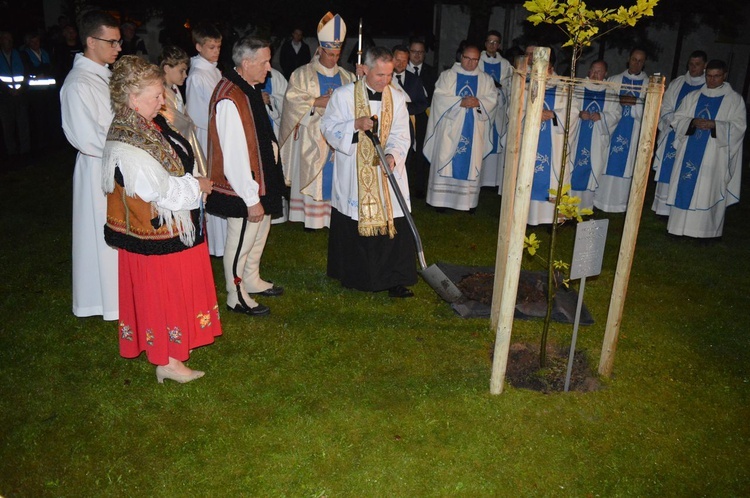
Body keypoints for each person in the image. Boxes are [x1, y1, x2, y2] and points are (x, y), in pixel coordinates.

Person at [102, 56, 221, 384]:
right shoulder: (130, 141)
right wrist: (196, 186)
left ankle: (173, 351)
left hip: (169, 229)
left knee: (173, 292)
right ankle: (168, 360)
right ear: (132, 97)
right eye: (155, 96)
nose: (162, 101)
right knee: (165, 295)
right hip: (157, 236)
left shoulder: (145, 124)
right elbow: (159, 191)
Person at [321, 46, 417, 298]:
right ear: (366, 71)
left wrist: (392, 156)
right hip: (355, 170)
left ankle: (395, 279)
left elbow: (401, 134)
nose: (385, 81)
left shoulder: (396, 98)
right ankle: (355, 275)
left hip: (387, 172)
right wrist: (354, 124)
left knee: (393, 222)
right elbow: (328, 127)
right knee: (354, 221)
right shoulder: (343, 96)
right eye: (380, 76)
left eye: (389, 76)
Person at [206, 36, 285, 316]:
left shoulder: (247, 88)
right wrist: (250, 197)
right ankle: (235, 293)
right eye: (264, 62)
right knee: (240, 239)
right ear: (247, 62)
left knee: (258, 232)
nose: (269, 67)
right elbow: (234, 154)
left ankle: (251, 278)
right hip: (242, 186)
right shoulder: (230, 96)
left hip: (259, 178)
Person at [60, 11, 122, 320]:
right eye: (112, 42)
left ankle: (121, 294)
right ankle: (107, 301)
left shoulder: (105, 74)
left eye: (119, 41)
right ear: (90, 41)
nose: (118, 47)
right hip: (99, 167)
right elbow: (85, 137)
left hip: (117, 163)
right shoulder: (78, 84)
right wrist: (127, 148)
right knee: (102, 236)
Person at [278, 12, 355, 230]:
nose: (334, 59)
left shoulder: (347, 77)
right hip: (311, 136)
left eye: (337, 54)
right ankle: (311, 220)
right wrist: (315, 101)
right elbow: (291, 101)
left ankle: (335, 218)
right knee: (314, 173)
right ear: (320, 50)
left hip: (337, 138)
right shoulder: (302, 74)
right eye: (330, 54)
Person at [665, 59, 746, 239]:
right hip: (689, 150)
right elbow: (677, 119)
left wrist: (715, 125)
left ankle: (706, 232)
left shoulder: (734, 100)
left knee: (708, 190)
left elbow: (739, 127)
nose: (712, 80)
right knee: (684, 185)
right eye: (709, 76)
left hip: (714, 155)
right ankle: (678, 229)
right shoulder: (693, 96)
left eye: (716, 76)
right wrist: (692, 122)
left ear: (724, 76)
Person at [423, 43, 497, 212]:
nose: (471, 63)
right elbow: (440, 97)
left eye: (475, 59)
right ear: (460, 57)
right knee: (445, 158)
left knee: (471, 161)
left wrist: (479, 102)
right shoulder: (448, 76)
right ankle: (440, 202)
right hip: (449, 128)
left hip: (474, 128)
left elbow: (492, 99)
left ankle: (467, 203)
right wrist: (460, 102)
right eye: (467, 58)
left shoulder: (485, 79)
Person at [186, 22, 225, 256]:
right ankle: (214, 243)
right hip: (206, 137)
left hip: (217, 134)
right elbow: (196, 114)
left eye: (219, 46)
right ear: (199, 47)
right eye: (211, 47)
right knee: (211, 184)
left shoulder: (214, 70)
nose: (216, 51)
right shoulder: (197, 76)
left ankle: (222, 241)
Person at [651, 50, 707, 215]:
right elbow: (666, 105)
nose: (693, 67)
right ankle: (662, 209)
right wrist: (673, 121)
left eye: (697, 64)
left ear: (705, 65)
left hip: (693, 135)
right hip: (672, 131)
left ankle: (678, 209)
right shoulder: (678, 83)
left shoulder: (707, 86)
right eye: (691, 64)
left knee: (685, 170)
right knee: (669, 167)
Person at [595, 48, 648, 213]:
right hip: (612, 130)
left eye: (640, 60)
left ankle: (620, 205)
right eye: (634, 59)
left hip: (634, 132)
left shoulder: (648, 84)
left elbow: (651, 111)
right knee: (606, 162)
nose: (636, 63)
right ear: (628, 59)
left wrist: (636, 103)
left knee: (627, 166)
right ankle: (599, 202)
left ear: (644, 63)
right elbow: (605, 102)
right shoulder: (614, 80)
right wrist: (619, 100)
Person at [524, 49, 571, 225]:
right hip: (530, 139)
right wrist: (532, 113)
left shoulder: (564, 85)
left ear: (551, 66)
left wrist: (554, 114)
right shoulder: (528, 84)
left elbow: (572, 111)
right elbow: (515, 110)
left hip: (555, 142)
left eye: (546, 66)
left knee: (554, 174)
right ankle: (527, 217)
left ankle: (552, 219)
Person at [567, 60, 618, 210]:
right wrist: (578, 114)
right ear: (589, 71)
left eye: (599, 71)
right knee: (572, 169)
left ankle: (585, 208)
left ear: (605, 74)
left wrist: (602, 116)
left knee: (591, 171)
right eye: (593, 71)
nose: (595, 75)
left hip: (596, 141)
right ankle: (568, 207)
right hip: (577, 139)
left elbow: (616, 114)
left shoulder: (610, 92)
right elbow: (568, 108)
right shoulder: (578, 88)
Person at [159, 45, 207, 177]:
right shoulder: (161, 93)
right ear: (167, 68)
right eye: (182, 71)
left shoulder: (174, 88)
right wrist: (188, 122)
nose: (185, 75)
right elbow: (174, 121)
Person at [391, 45, 429, 198]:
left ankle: (401, 194)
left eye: (403, 61)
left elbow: (422, 103)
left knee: (404, 159)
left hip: (406, 126)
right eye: (397, 59)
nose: (399, 64)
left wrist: (406, 109)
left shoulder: (414, 80)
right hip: (386, 124)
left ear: (407, 62)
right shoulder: (384, 77)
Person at [478, 30, 513, 189]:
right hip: (483, 107)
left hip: (498, 108)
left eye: (495, 42)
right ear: (485, 44)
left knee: (496, 140)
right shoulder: (477, 60)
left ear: (499, 45)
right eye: (489, 42)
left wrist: (500, 88)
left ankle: (492, 182)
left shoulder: (505, 64)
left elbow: (509, 85)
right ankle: (479, 178)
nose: (492, 45)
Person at [0, 31, 30, 168]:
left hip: (20, 96)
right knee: (8, 127)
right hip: (5, 98)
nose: (8, 42)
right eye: (6, 39)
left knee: (23, 125)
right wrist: (8, 90)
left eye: (10, 39)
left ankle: (25, 153)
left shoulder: (20, 55)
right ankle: (12, 154)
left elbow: (26, 73)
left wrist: (20, 89)